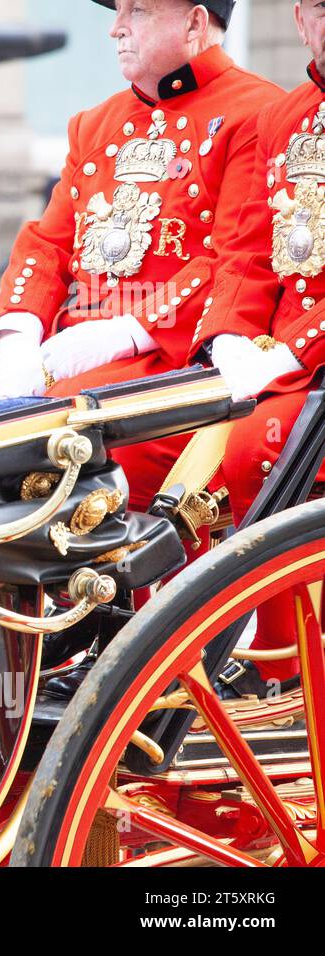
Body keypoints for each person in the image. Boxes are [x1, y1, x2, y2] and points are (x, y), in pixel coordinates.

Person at [0, 0, 278, 699]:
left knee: (54, 433)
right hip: (70, 344)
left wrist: (124, 330)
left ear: (196, 21)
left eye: (138, 12)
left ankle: (74, 623)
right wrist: (19, 332)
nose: (116, 28)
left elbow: (237, 258)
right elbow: (49, 241)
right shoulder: (97, 122)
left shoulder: (256, 112)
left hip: (174, 355)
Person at [188, 0, 325, 698]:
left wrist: (291, 349)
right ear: (302, 19)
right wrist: (230, 337)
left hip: (312, 362)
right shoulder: (283, 117)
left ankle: (284, 659)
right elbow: (245, 249)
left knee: (260, 441)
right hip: (286, 356)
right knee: (174, 439)